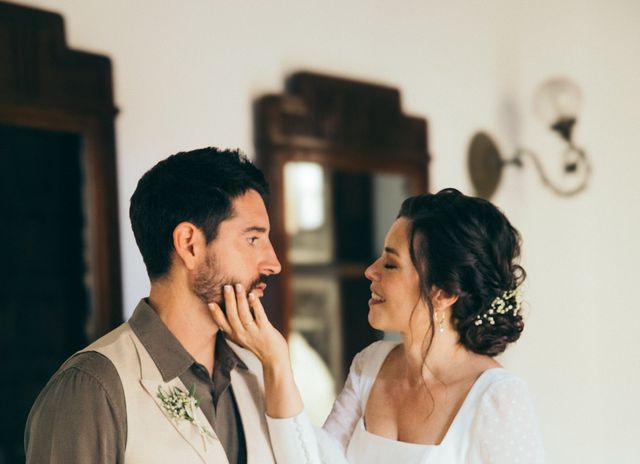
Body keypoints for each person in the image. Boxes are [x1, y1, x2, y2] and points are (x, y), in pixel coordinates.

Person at [211, 188, 546, 463]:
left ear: (443, 292)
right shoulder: (370, 365)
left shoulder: (497, 397)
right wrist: (275, 361)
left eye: (390, 263)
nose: (371, 271)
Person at [25, 147, 283, 463]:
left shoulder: (256, 371)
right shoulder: (93, 388)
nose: (273, 264)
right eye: (253, 240)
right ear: (190, 245)